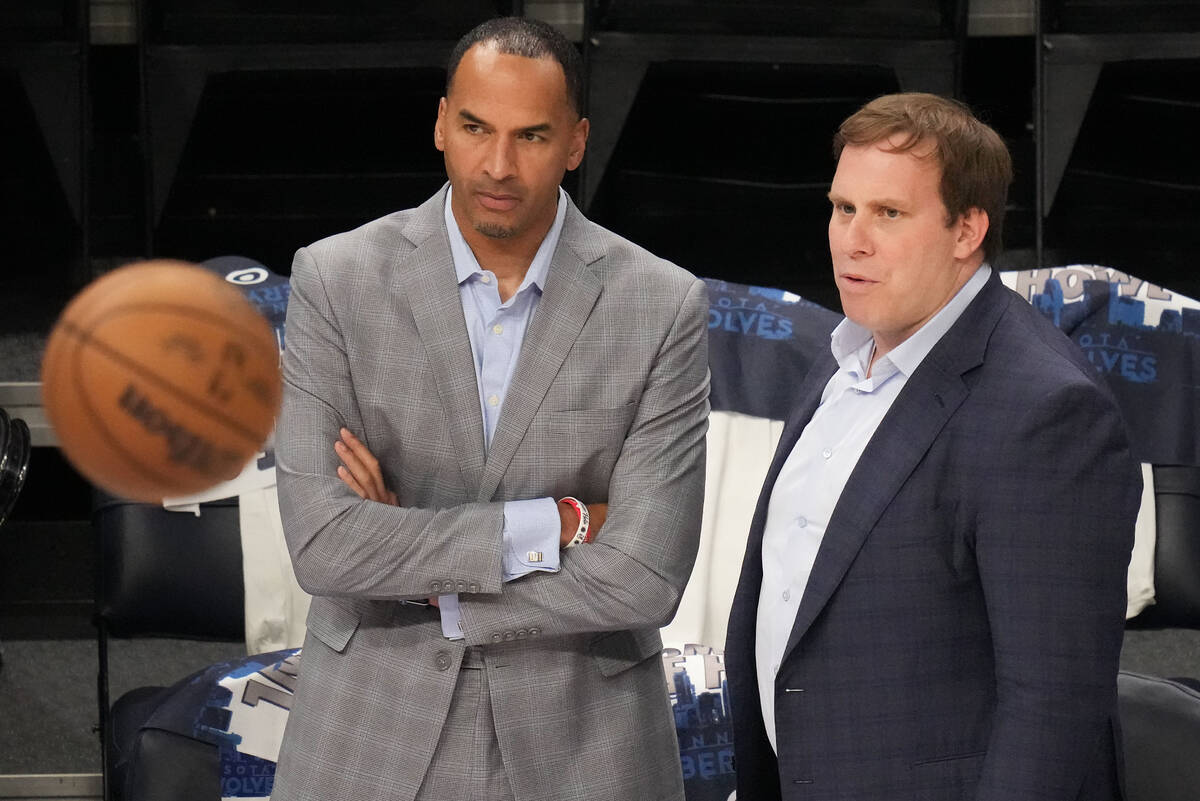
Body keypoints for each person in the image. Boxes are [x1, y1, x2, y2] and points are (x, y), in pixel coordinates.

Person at [270, 16, 709, 801]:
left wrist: (414, 562)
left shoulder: (661, 304)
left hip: (587, 745)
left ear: (575, 143)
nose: (498, 165)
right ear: (441, 124)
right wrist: (558, 524)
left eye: (532, 137)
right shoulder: (335, 280)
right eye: (475, 127)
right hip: (371, 731)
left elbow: (645, 574)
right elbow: (325, 545)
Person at [725, 93, 1140, 801]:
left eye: (888, 214)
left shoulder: (1047, 412)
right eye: (842, 207)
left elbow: (1053, 706)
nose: (851, 239)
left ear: (966, 229)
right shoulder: (845, 351)